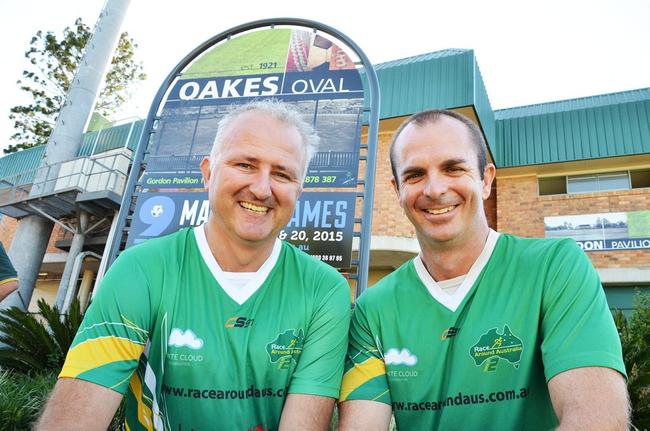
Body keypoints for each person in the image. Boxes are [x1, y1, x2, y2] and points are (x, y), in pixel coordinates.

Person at [37, 100, 351, 430]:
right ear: (208, 173)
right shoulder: (140, 270)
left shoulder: (324, 289)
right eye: (245, 165)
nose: (261, 189)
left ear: (298, 191)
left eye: (282, 173)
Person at [338, 109, 629, 430]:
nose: (434, 189)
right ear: (397, 190)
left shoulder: (554, 267)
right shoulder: (372, 309)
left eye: (453, 168)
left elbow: (598, 420)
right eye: (415, 175)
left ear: (486, 179)